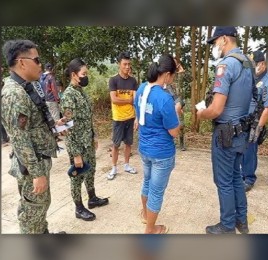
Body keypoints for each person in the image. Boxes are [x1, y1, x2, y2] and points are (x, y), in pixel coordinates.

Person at [1, 39, 66, 234]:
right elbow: (19, 138)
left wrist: (55, 125)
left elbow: (31, 124)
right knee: (32, 214)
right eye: (36, 60)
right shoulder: (14, 94)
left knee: (39, 207)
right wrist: (37, 174)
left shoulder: (26, 86)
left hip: (37, 160)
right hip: (32, 166)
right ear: (22, 62)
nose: (40, 65)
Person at [196, 26, 253, 234]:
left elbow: (217, 109)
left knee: (224, 181)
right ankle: (241, 221)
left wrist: (202, 113)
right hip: (242, 132)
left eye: (215, 43)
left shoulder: (226, 65)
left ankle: (227, 226)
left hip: (226, 134)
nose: (214, 47)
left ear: (224, 39)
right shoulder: (247, 62)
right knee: (236, 177)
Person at [135, 54, 180, 234]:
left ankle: (146, 215)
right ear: (167, 74)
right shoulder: (165, 98)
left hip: (144, 148)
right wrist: (176, 111)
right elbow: (174, 131)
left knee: (147, 182)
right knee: (156, 191)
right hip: (161, 152)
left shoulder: (141, 89)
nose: (173, 79)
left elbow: (139, 114)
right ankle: (150, 230)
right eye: (173, 75)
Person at [61, 58, 109, 221]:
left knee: (91, 170)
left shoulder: (81, 92)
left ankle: (92, 198)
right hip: (77, 144)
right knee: (77, 176)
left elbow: (88, 118)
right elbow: (65, 128)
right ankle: (79, 208)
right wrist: (75, 154)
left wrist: (94, 136)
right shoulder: (68, 96)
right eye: (84, 74)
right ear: (74, 75)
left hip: (87, 141)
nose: (86, 76)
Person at [241, 50, 268, 192]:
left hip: (255, 122)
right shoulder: (250, 78)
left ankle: (249, 178)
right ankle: (240, 174)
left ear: (262, 64)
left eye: (254, 64)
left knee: (250, 150)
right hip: (242, 119)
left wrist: (259, 128)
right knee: (240, 149)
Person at [107, 51, 138, 180]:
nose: (127, 67)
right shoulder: (113, 80)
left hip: (130, 117)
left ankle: (126, 165)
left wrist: (137, 117)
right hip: (118, 118)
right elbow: (114, 100)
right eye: (124, 64)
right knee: (116, 144)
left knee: (129, 143)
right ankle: (114, 167)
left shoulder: (133, 81)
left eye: (129, 64)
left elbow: (135, 100)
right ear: (119, 64)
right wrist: (129, 101)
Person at [163, 59, 187, 151]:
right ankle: (172, 141)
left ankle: (182, 144)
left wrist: (181, 70)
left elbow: (183, 88)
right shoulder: (168, 75)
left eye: (176, 63)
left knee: (181, 123)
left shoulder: (179, 75)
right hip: (171, 101)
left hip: (179, 101)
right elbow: (166, 90)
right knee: (170, 122)